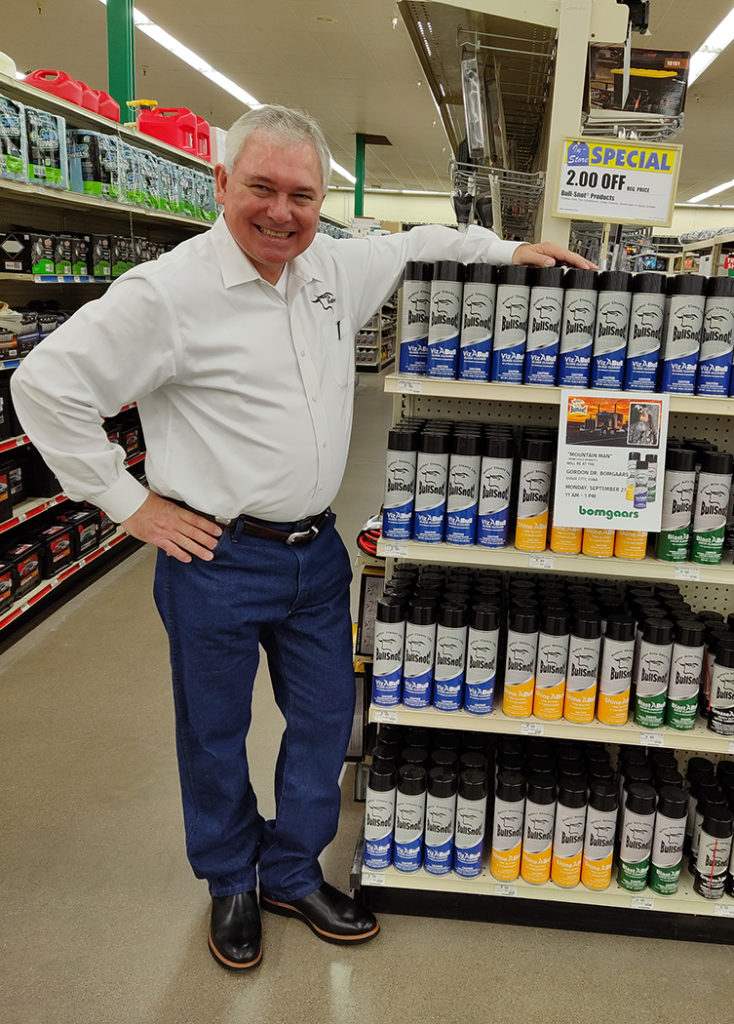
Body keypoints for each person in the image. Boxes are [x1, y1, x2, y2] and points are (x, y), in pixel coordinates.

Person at [11, 104, 594, 972]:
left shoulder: (329, 267)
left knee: (324, 720)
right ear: (221, 184)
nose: (282, 212)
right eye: (262, 187)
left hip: (315, 556)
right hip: (215, 558)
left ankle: (289, 870)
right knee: (214, 733)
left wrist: (509, 252)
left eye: (302, 195)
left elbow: (416, 242)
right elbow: (44, 384)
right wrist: (128, 505)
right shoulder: (166, 293)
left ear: (321, 200)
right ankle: (229, 880)